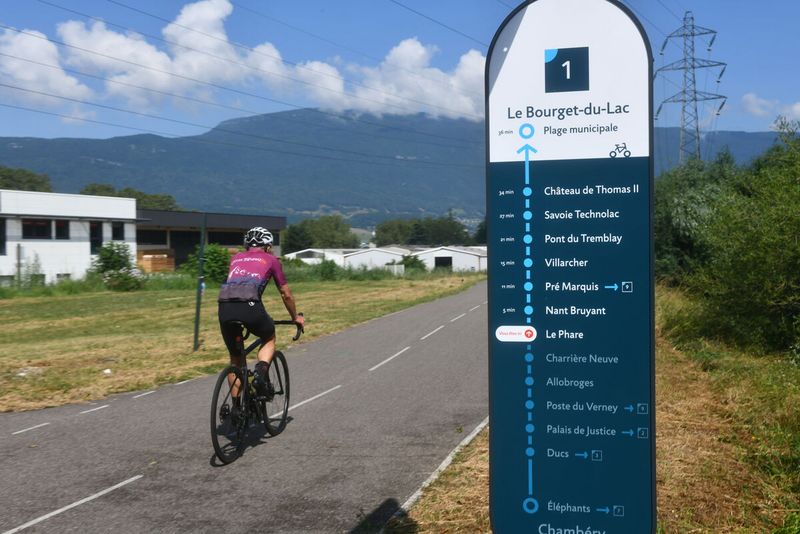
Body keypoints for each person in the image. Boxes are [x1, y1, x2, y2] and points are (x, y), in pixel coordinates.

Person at [218, 226, 304, 398]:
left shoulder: (235, 258)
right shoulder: (271, 260)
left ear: (247, 245)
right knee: (269, 336)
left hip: (224, 307)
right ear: (268, 246)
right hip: (250, 306)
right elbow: (285, 294)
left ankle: (236, 411)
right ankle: (260, 373)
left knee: (235, 358)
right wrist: (295, 317)